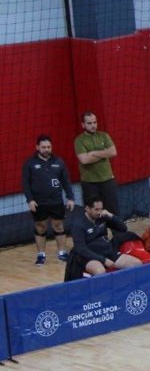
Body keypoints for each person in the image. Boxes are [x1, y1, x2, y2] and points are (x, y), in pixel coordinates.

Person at [22, 134, 76, 265]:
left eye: (49, 147)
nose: (46, 149)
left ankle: (62, 253)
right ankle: (41, 255)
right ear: (37, 147)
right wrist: (30, 200)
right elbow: (25, 184)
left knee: (59, 226)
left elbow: (66, 181)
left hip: (56, 201)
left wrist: (70, 197)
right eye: (43, 147)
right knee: (41, 227)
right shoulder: (30, 163)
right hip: (39, 203)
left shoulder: (59, 162)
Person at [66, 198, 143, 276]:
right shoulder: (78, 224)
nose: (99, 212)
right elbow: (81, 249)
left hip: (106, 251)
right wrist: (103, 260)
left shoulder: (102, 217)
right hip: (89, 256)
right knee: (100, 272)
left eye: (101, 209)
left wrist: (110, 215)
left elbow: (123, 228)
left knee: (136, 264)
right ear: (87, 208)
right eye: (96, 209)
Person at [74, 111, 120, 216]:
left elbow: (113, 152)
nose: (93, 125)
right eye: (89, 123)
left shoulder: (104, 136)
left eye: (95, 122)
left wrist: (93, 153)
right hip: (90, 183)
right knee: (92, 214)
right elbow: (84, 160)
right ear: (83, 125)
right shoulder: (79, 140)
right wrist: (104, 153)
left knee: (113, 211)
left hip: (108, 180)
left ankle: (115, 228)